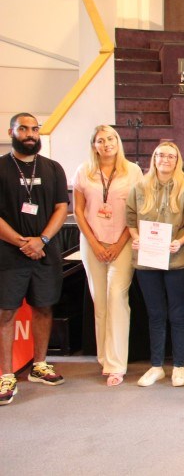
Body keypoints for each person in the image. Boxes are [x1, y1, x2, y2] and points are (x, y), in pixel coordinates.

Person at [0, 113, 68, 406]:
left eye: (34, 129)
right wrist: (20, 242)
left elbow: (61, 207)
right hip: (8, 252)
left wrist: (40, 241)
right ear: (11, 131)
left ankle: (40, 365)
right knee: (6, 312)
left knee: (44, 307)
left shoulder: (52, 168)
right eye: (23, 129)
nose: (30, 134)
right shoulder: (1, 167)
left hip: (45, 251)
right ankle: (5, 374)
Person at [72, 125, 143, 387]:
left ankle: (116, 364)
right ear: (94, 145)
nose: (107, 143)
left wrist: (118, 243)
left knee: (116, 299)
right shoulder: (83, 171)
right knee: (99, 301)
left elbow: (135, 212)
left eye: (111, 138)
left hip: (122, 243)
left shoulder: (133, 171)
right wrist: (95, 244)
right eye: (100, 140)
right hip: (92, 242)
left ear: (118, 141)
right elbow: (78, 211)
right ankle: (104, 357)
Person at [127, 142, 184, 387]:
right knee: (155, 314)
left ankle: (179, 366)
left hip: (179, 261)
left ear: (177, 159)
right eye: (160, 155)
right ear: (154, 158)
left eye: (170, 155)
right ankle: (156, 365)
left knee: (178, 313)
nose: (165, 159)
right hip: (147, 263)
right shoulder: (139, 186)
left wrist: (179, 241)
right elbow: (130, 219)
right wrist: (136, 238)